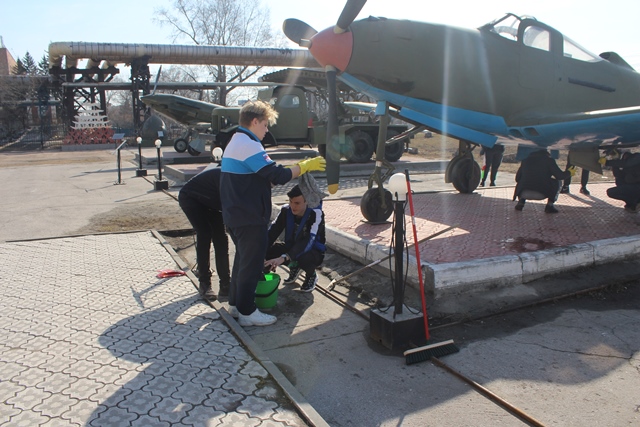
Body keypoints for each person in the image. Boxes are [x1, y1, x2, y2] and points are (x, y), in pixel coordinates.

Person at [220, 100, 326, 327]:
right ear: (254, 121)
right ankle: (248, 312)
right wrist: (304, 166)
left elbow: (262, 177)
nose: (267, 130)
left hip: (236, 215)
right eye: (265, 124)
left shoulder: (235, 142)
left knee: (242, 262)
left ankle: (236, 305)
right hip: (249, 218)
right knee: (250, 266)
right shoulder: (249, 144)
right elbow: (278, 175)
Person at [178, 166, 230, 301]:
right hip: (191, 198)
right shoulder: (230, 178)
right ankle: (204, 283)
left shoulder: (243, 182)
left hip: (212, 202)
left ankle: (225, 285)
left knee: (221, 239)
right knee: (205, 234)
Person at [263, 185, 326, 293]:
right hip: (291, 246)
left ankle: (311, 275)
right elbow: (272, 232)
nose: (293, 206)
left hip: (312, 250)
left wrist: (284, 257)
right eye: (291, 202)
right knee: (268, 251)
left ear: (306, 202)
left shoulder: (315, 214)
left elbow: (308, 241)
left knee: (304, 258)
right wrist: (261, 254)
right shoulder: (286, 210)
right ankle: (294, 267)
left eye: (297, 203)